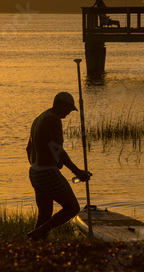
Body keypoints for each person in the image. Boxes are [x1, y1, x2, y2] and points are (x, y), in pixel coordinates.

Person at [26, 92, 90, 241]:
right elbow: (58, 150)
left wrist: (40, 165)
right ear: (60, 104)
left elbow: (29, 148)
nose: (68, 113)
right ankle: (39, 233)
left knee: (45, 213)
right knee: (72, 208)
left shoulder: (39, 118)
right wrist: (78, 172)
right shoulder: (53, 120)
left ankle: (36, 242)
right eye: (68, 109)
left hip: (34, 172)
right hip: (47, 172)